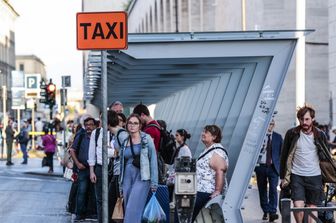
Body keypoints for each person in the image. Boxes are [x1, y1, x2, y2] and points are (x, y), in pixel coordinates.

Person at [280, 105, 330, 223]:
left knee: (312, 207)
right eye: (301, 119)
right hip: (297, 175)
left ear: (312, 119)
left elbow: (326, 157)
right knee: (298, 206)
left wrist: (327, 176)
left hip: (315, 176)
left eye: (307, 119)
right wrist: (282, 177)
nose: (304, 122)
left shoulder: (320, 135)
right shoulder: (292, 133)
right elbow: (284, 156)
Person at [119, 113, 158, 223]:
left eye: (135, 123)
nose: (132, 125)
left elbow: (153, 160)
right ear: (126, 125)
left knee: (133, 207)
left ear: (140, 125)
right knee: (128, 206)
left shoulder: (146, 139)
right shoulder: (125, 141)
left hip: (142, 176)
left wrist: (154, 182)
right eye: (130, 123)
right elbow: (122, 163)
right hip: (127, 176)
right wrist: (120, 184)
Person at [88, 110, 122, 223]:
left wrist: (109, 151)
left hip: (114, 170)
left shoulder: (116, 133)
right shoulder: (96, 133)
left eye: (103, 119)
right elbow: (92, 153)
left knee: (112, 199)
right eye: (100, 118)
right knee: (100, 199)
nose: (101, 121)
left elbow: (119, 152)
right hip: (99, 168)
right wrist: (92, 171)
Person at [192, 124, 229, 222]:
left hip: (205, 191)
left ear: (214, 137)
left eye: (206, 132)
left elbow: (220, 171)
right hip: (200, 189)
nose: (203, 134)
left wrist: (217, 191)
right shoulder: (208, 150)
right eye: (203, 131)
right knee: (185, 212)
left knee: (186, 212)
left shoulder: (217, 151)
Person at [255, 119, 283, 222]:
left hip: (273, 167)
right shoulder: (259, 136)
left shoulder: (278, 137)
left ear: (274, 125)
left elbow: (282, 153)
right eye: (269, 123)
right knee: (262, 190)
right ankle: (265, 210)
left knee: (273, 189)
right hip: (261, 167)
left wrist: (280, 166)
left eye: (272, 124)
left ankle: (272, 212)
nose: (270, 125)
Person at [70, 116, 97, 221]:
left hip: (95, 168)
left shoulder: (98, 136)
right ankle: (79, 214)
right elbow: (72, 150)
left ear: (95, 126)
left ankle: (93, 213)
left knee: (94, 192)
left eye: (90, 125)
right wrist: (77, 163)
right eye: (86, 125)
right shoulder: (81, 136)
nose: (88, 127)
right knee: (82, 191)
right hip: (83, 168)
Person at [167, 128, 192, 201]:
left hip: (179, 177)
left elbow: (186, 165)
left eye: (177, 135)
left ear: (182, 137)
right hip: (176, 176)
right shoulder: (180, 148)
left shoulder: (185, 149)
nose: (175, 137)